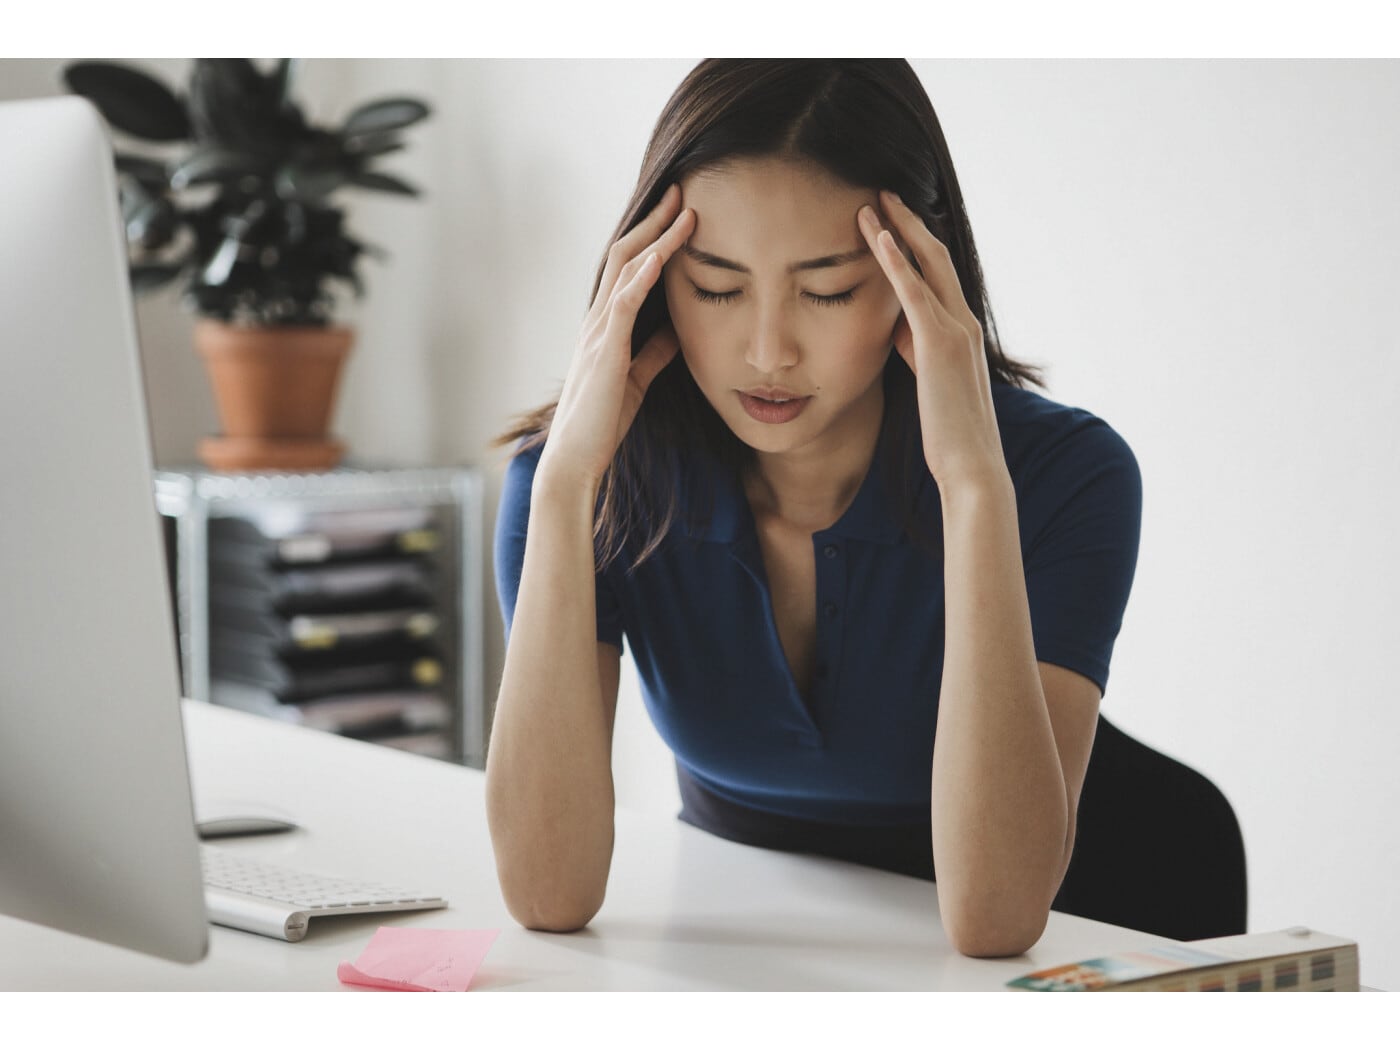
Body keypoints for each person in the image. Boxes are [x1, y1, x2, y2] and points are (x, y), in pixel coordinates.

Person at [488, 59, 1141, 958]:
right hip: (735, 955)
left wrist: (975, 486)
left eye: (828, 290)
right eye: (716, 285)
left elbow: (996, 920)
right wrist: (566, 489)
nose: (767, 352)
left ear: (921, 273)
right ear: (644, 277)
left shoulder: (1068, 474)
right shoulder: (581, 483)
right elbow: (546, 894)